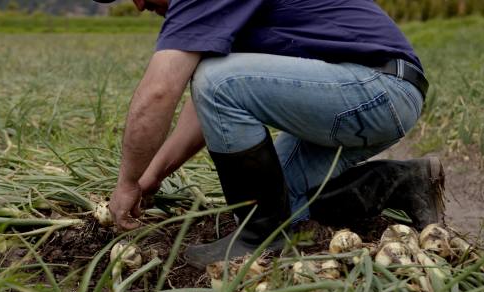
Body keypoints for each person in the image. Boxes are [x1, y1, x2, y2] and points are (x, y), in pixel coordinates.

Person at [98, 0, 445, 269]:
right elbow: (203, 111)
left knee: (216, 81)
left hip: (375, 88)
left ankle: (260, 238)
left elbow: (162, 91)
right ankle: (402, 181)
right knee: (280, 206)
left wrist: (126, 183)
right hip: (379, 91)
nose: (139, 5)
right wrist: (150, 177)